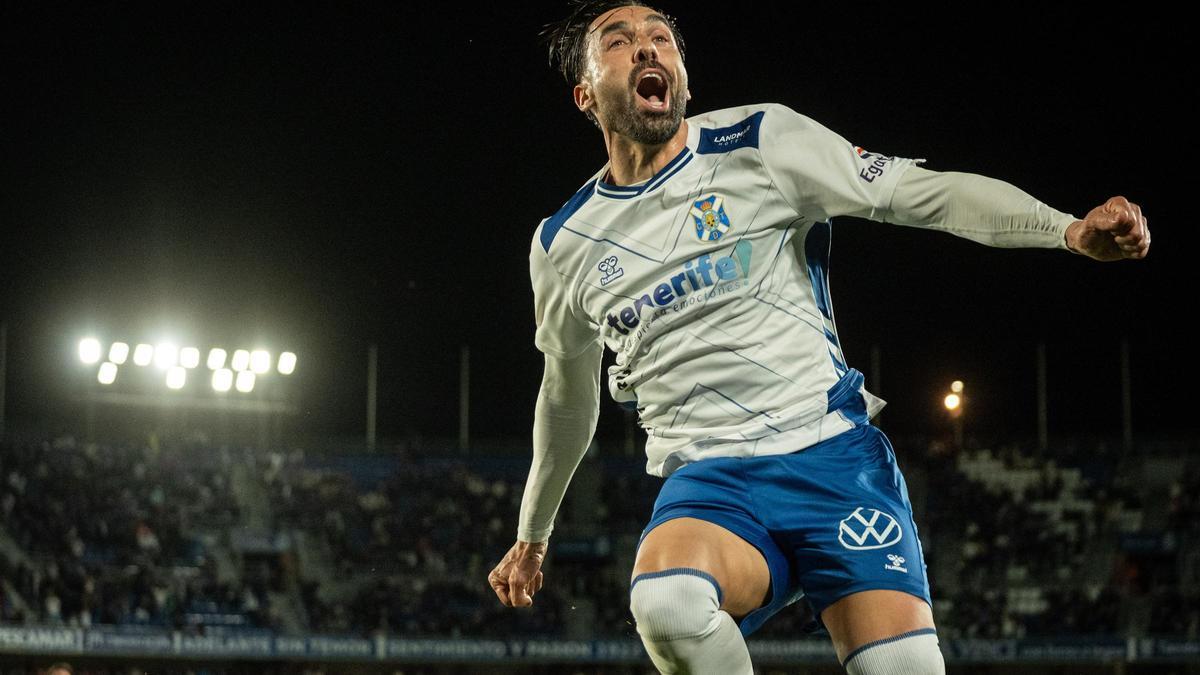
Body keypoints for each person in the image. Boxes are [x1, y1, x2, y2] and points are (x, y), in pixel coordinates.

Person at [487, 2, 1150, 674]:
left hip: (835, 460)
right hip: (714, 485)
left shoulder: (761, 141)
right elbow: (567, 397)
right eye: (622, 42)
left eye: (662, 38)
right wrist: (532, 535)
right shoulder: (563, 242)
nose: (649, 49)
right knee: (668, 604)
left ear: (684, 75)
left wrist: (1066, 231)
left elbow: (919, 193)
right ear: (586, 94)